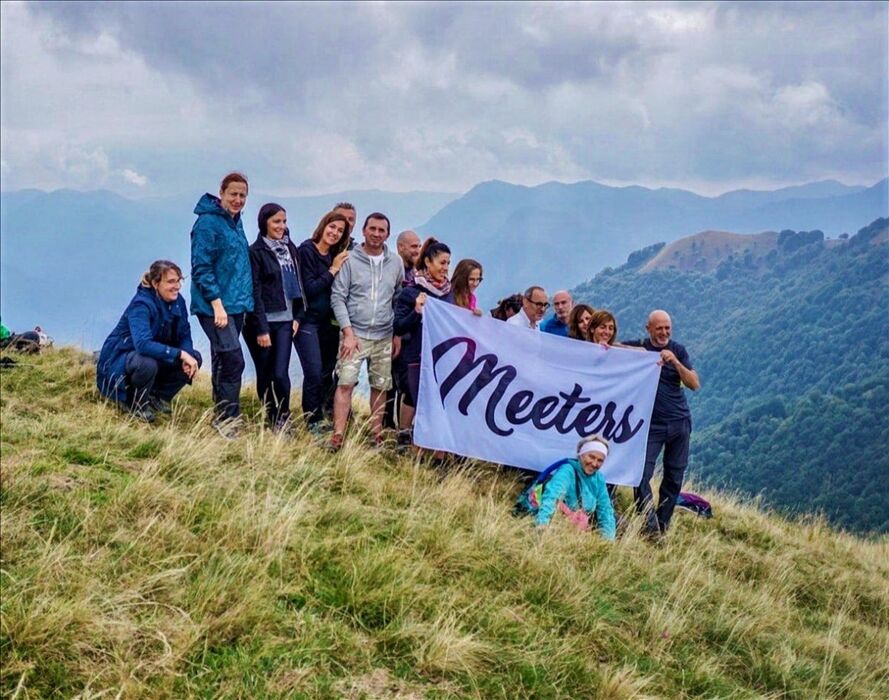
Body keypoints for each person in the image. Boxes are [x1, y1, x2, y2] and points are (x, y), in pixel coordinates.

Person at [330, 212, 404, 450]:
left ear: (388, 234)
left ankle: (376, 434)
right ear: (363, 230)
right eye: (372, 229)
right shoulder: (350, 260)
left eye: (381, 230)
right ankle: (338, 434)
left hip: (384, 334)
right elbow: (338, 297)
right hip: (356, 335)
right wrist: (348, 333)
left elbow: (398, 297)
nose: (376, 234)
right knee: (346, 382)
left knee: (380, 385)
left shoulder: (396, 263)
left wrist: (396, 334)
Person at [623, 310, 701, 537]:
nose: (664, 332)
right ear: (648, 328)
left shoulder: (678, 350)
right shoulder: (640, 347)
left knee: (674, 476)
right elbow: (612, 347)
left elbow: (694, 383)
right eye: (659, 328)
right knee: (640, 474)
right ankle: (649, 522)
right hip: (651, 425)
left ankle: (661, 527)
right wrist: (638, 351)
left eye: (668, 328)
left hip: (680, 423)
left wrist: (675, 362)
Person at [97, 260, 202, 422]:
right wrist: (179, 354)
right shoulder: (141, 304)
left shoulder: (178, 302)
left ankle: (156, 396)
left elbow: (184, 334)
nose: (177, 286)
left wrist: (186, 355)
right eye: (171, 281)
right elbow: (143, 344)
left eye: (179, 280)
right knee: (147, 363)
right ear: (155, 283)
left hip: (153, 355)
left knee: (194, 357)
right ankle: (135, 403)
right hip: (121, 359)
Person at [190, 172, 253, 438]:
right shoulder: (208, 224)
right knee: (233, 359)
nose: (238, 200)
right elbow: (201, 267)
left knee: (222, 357)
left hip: (236, 305)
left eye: (242, 195)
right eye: (233, 194)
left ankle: (220, 413)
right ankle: (228, 418)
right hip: (214, 306)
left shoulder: (234, 222)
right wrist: (217, 304)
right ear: (221, 193)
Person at [244, 203, 305, 431]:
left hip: (286, 321)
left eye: (284, 221)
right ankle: (271, 415)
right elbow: (255, 290)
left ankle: (284, 414)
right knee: (265, 372)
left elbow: (298, 286)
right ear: (264, 223)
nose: (282, 226)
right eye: (276, 221)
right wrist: (261, 328)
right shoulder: (256, 252)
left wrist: (298, 316)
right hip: (262, 323)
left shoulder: (291, 248)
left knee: (280, 372)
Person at [295, 211, 351, 428]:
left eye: (340, 231)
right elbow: (308, 288)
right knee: (314, 371)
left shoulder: (335, 254)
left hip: (328, 323)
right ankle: (311, 419)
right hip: (308, 320)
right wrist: (333, 269)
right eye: (332, 227)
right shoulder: (306, 251)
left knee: (326, 372)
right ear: (323, 225)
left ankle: (321, 414)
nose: (335, 233)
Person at [394, 238, 454, 438]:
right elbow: (399, 325)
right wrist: (417, 311)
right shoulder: (412, 291)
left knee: (434, 397)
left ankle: (427, 439)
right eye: (441, 263)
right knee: (413, 395)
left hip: (439, 355)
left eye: (448, 263)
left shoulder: (448, 293)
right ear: (428, 262)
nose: (445, 268)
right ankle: (404, 434)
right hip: (414, 354)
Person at [520, 436, 616, 540]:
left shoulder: (599, 479)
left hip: (579, 524)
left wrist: (608, 541)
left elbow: (605, 510)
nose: (594, 464)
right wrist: (542, 525)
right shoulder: (567, 471)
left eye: (600, 460)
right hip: (556, 522)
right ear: (581, 454)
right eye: (591, 457)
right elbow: (552, 496)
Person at [384, 229, 423, 431]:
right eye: (414, 246)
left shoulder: (417, 273)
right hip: (394, 332)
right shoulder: (392, 269)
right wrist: (394, 334)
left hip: (411, 336)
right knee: (393, 381)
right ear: (401, 247)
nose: (417, 250)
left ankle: (399, 425)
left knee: (405, 384)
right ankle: (387, 423)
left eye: (419, 246)